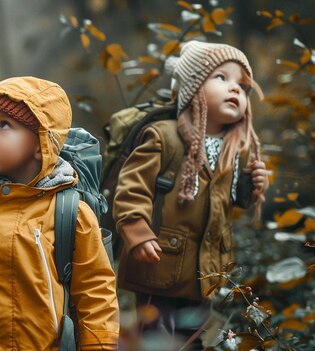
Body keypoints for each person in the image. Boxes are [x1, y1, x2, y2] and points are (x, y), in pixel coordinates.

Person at [0, 76, 119, 350]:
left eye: (4, 125)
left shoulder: (71, 214)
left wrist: (99, 345)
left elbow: (95, 292)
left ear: (41, 143)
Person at [113, 41, 269, 347]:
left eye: (242, 85)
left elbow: (230, 199)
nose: (235, 90)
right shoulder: (163, 137)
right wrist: (137, 232)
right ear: (192, 87)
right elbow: (132, 188)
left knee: (195, 338)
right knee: (156, 336)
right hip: (159, 263)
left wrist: (252, 186)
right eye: (222, 78)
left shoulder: (234, 148)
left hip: (204, 270)